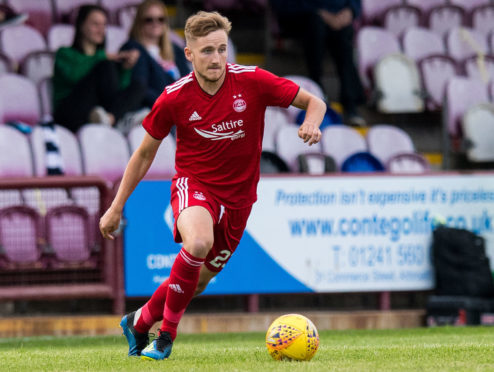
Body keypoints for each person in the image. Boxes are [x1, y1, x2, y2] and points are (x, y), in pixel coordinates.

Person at [99, 11, 325, 361]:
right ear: (188, 54)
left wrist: (311, 123)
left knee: (199, 281)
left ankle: (139, 320)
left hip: (240, 199)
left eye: (221, 49)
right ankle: (165, 337)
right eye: (207, 51)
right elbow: (143, 154)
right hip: (195, 185)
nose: (217, 58)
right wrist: (116, 207)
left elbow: (315, 101)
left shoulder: (252, 80)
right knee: (199, 241)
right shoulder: (174, 97)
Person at [272, 0, 366, 127]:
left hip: (335, 20)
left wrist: (349, 11)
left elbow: (354, 3)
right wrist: (320, 13)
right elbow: (282, 6)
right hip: (302, 17)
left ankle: (350, 105)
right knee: (316, 25)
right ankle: (317, 90)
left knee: (344, 35)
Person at [52, 4, 145, 133]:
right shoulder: (64, 53)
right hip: (69, 114)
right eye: (95, 24)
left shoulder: (103, 59)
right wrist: (102, 57)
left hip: (98, 113)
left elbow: (119, 89)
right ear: (81, 26)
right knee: (106, 66)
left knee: (138, 85)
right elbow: (74, 75)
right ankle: (120, 119)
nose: (101, 30)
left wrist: (125, 69)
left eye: (104, 25)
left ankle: (111, 118)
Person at [120, 0, 190, 109]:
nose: (155, 23)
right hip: (153, 110)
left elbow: (188, 82)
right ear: (139, 22)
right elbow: (139, 88)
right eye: (149, 20)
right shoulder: (132, 48)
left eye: (160, 19)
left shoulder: (175, 49)